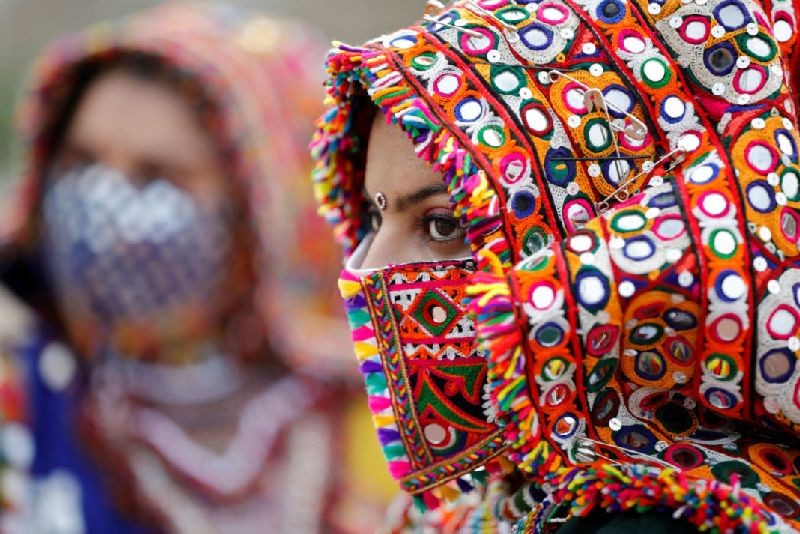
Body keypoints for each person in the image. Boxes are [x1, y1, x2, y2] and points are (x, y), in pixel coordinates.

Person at [311, 0, 800, 531]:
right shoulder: (492, 500)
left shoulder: (665, 517)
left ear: (597, 235)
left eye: (444, 225)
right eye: (375, 217)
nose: (368, 268)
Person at [0, 3, 391, 532]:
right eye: (82, 161)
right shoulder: (22, 404)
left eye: (158, 174)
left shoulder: (393, 430)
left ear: (270, 206)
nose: (104, 204)